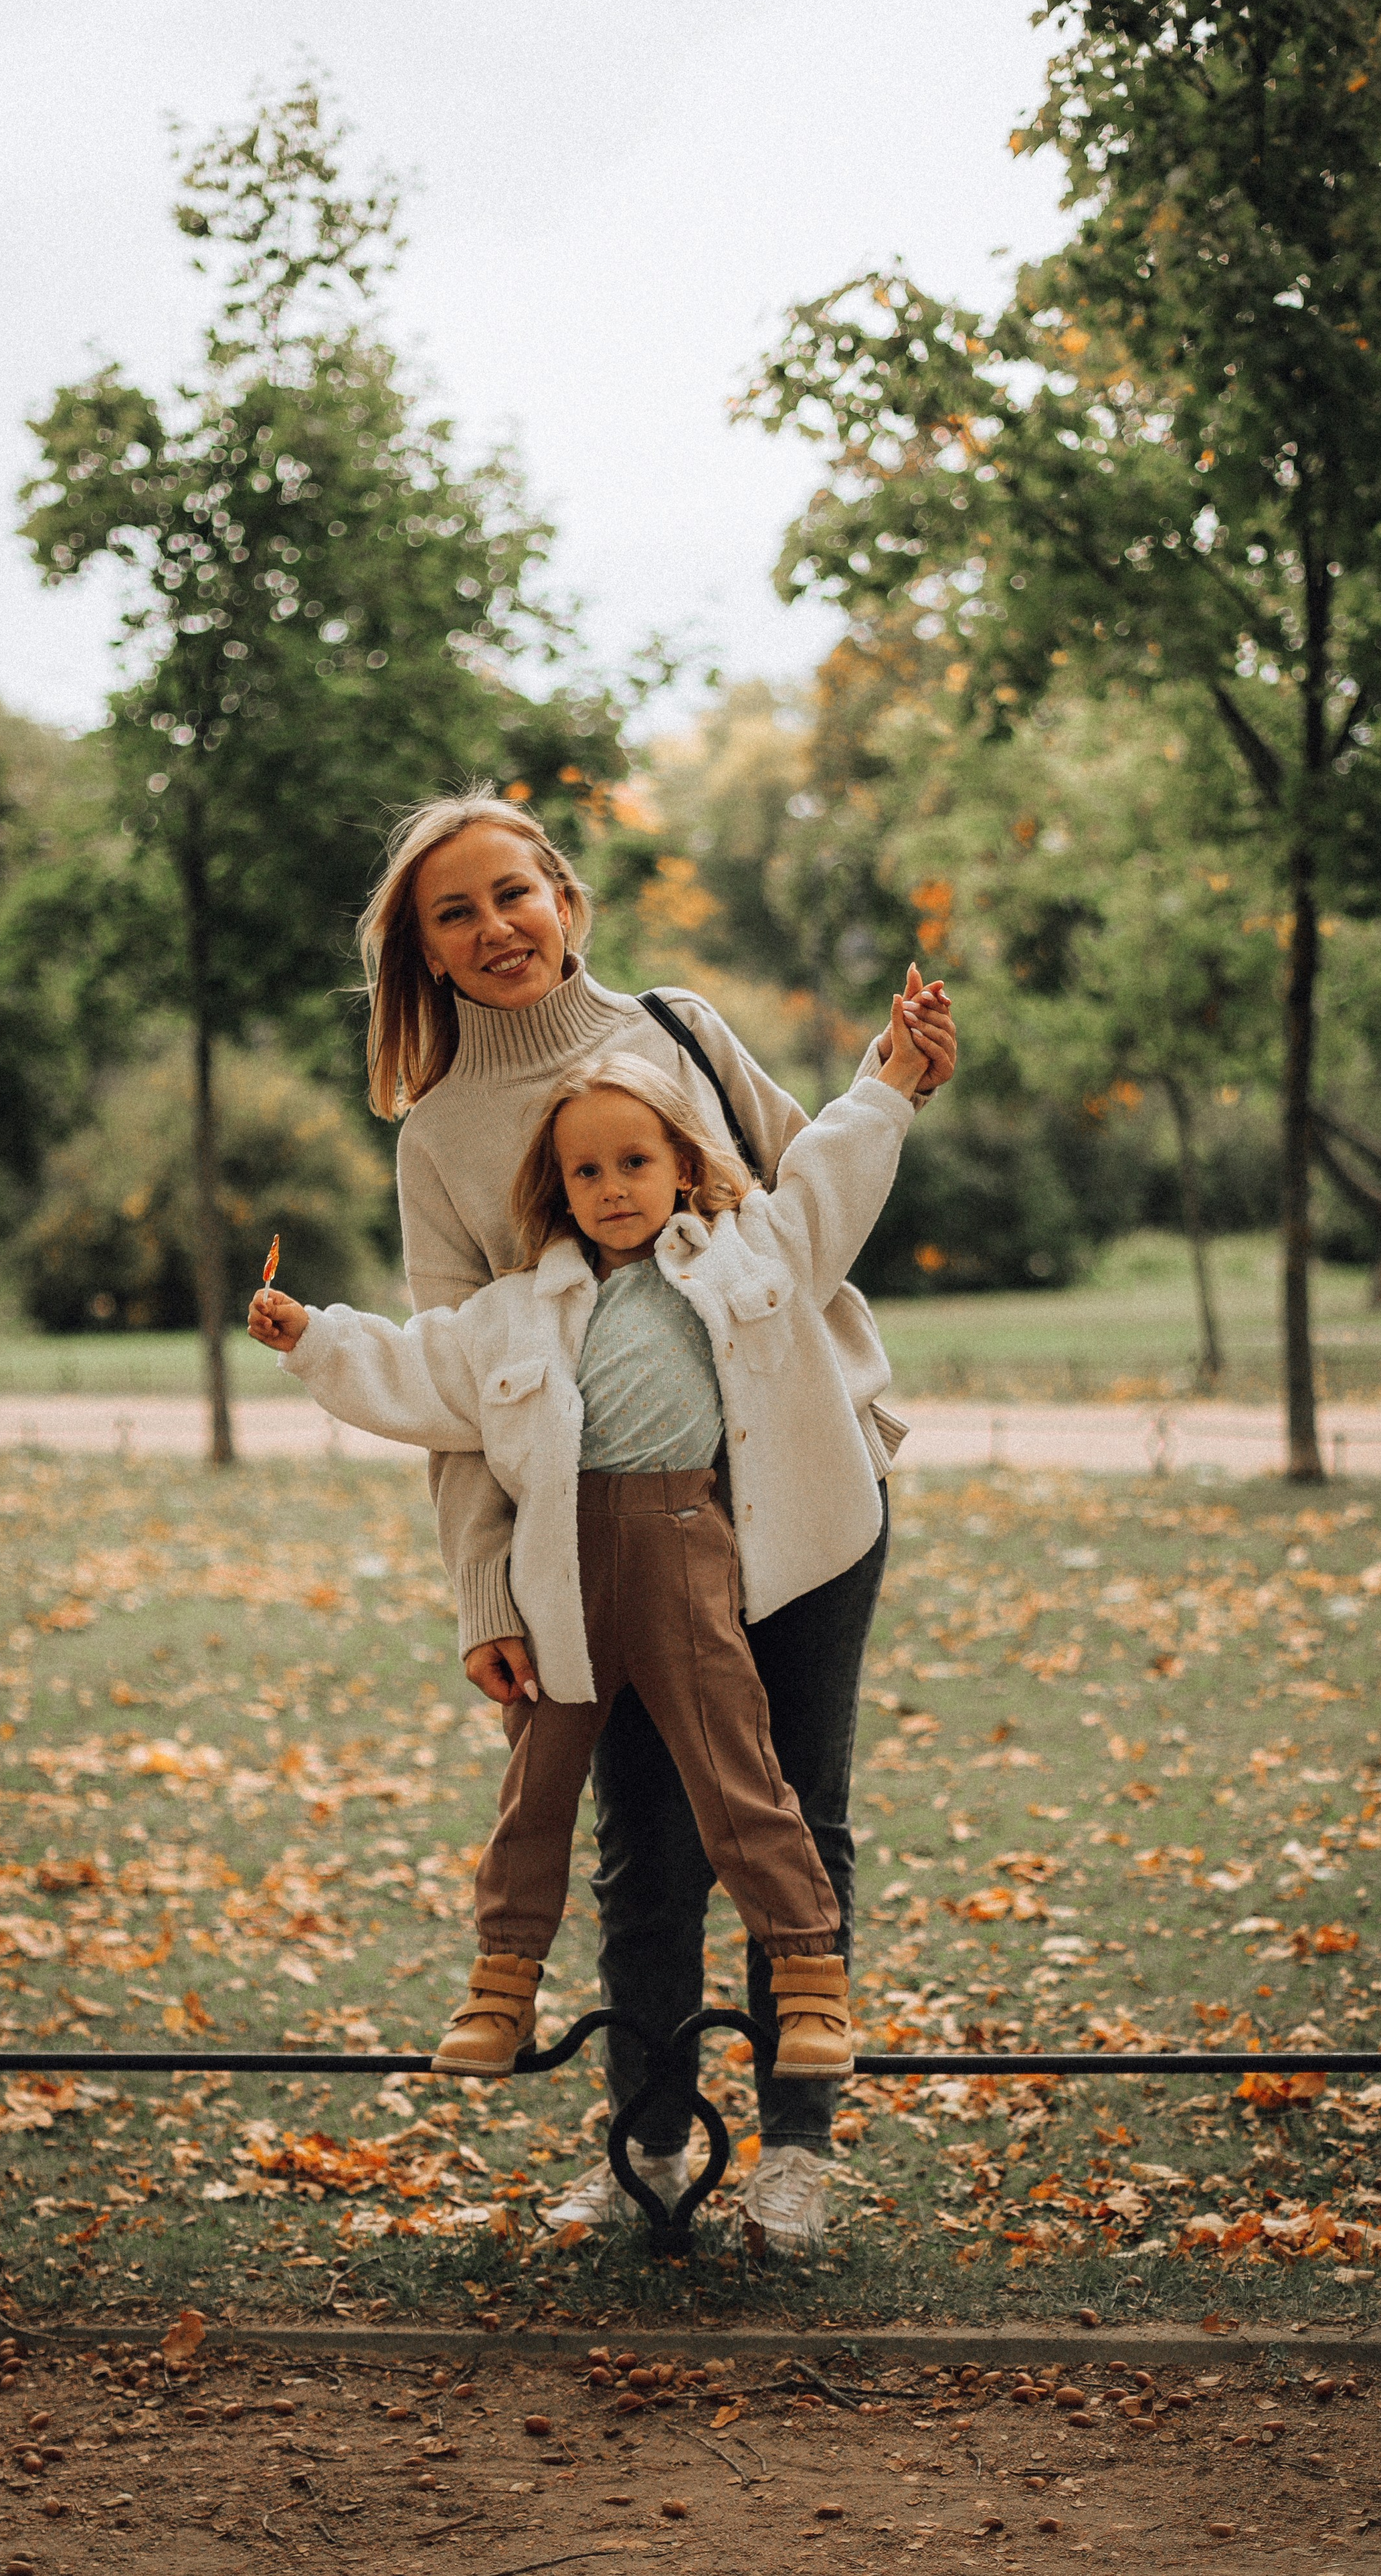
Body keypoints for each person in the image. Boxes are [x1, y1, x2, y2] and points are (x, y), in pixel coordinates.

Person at [353, 789, 953, 2241]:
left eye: (513, 892)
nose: (493, 927)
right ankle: (652, 2140)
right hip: (603, 1532)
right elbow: (459, 1388)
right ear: (422, 954)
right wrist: (488, 1593)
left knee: (795, 1798)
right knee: (644, 1836)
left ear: (563, 895)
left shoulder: (677, 1028)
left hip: (801, 1488)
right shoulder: (437, 1135)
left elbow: (804, 1201)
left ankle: (800, 2151)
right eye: (454, 912)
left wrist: (891, 1083)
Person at [248, 1025, 943, 2096]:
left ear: (681, 1166)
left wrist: (889, 1079)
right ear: (557, 1189)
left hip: (689, 1560)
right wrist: (312, 1337)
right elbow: (416, 1366)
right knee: (536, 1796)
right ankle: (500, 1990)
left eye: (635, 1163)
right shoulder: (516, 1314)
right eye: (587, 1171)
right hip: (560, 1579)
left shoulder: (751, 1253)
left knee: (740, 1776)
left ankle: (809, 1983)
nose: (613, 1188)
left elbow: (826, 1179)